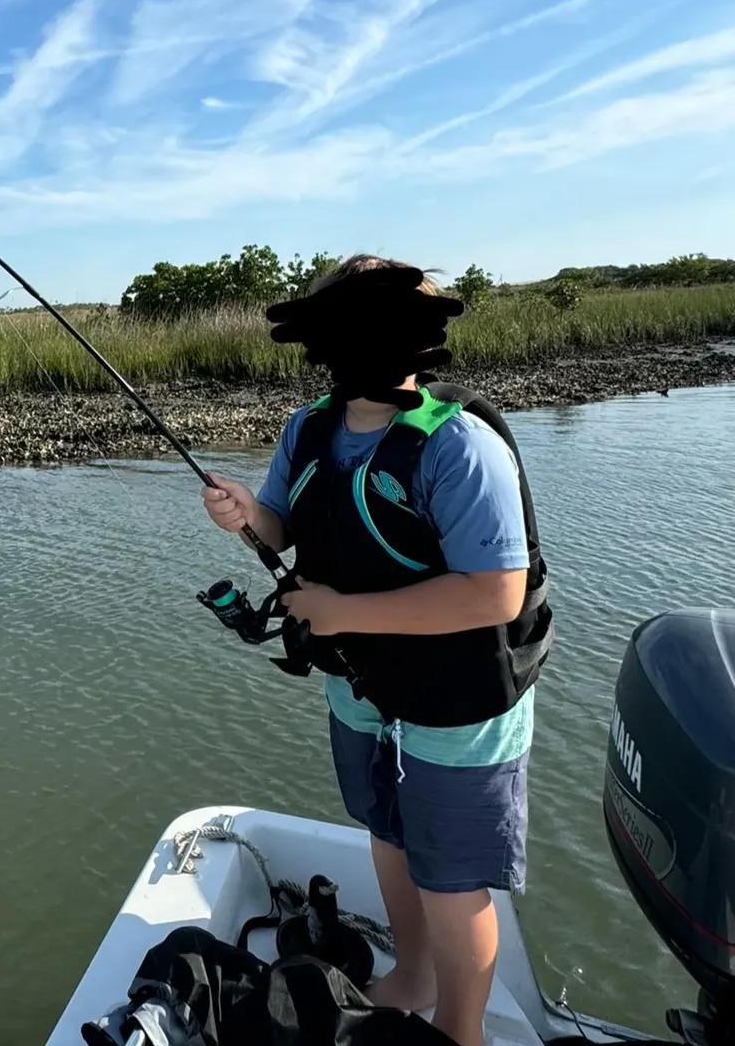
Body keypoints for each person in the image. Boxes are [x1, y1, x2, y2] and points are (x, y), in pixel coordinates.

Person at [201, 255, 551, 1046]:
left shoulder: (459, 445)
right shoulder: (308, 428)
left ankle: (461, 1031)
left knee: (451, 876)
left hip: (459, 700)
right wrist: (245, 514)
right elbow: (279, 525)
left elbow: (495, 593)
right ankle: (415, 975)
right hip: (358, 683)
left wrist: (340, 610)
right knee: (387, 833)